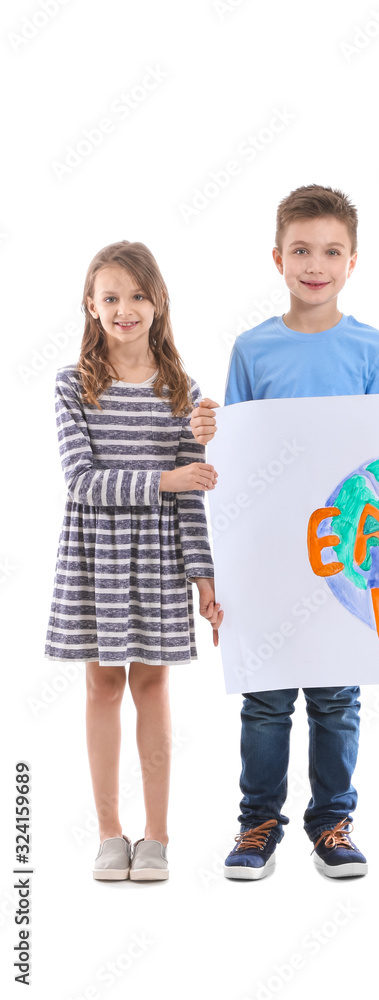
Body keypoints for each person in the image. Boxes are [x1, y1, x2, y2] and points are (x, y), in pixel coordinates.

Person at [190, 184, 379, 880]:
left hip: (352, 549)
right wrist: (209, 432)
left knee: (337, 695)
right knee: (266, 694)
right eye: (301, 250)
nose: (316, 264)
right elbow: (237, 455)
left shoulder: (372, 348)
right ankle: (258, 823)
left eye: (331, 251)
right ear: (277, 258)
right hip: (271, 551)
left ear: (353, 262)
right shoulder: (253, 348)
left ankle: (333, 824)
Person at [45, 241, 220, 881]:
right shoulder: (72, 385)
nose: (125, 308)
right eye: (111, 296)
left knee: (151, 684)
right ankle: (108, 834)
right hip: (96, 557)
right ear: (91, 306)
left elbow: (196, 494)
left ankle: (158, 837)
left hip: (159, 558)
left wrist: (205, 581)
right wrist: (168, 480)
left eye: (138, 295)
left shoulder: (183, 392)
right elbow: (81, 482)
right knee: (101, 684)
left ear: (158, 302)